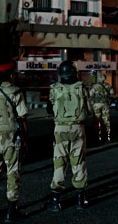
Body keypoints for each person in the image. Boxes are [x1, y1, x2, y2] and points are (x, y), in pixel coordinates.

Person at [0, 61, 28, 223]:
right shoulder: (16, 92)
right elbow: (22, 118)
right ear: (10, 75)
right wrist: (25, 139)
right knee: (13, 172)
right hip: (12, 138)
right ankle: (11, 210)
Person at [48, 60, 92, 212]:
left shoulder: (54, 89)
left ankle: (56, 201)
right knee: (78, 162)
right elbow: (89, 109)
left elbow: (50, 109)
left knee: (59, 163)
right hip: (77, 128)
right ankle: (81, 199)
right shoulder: (82, 88)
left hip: (60, 129)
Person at [89, 71, 114, 142]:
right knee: (106, 119)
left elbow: (90, 95)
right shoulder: (108, 85)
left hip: (96, 105)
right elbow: (112, 93)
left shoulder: (95, 86)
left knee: (97, 119)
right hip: (105, 104)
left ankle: (98, 134)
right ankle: (108, 134)